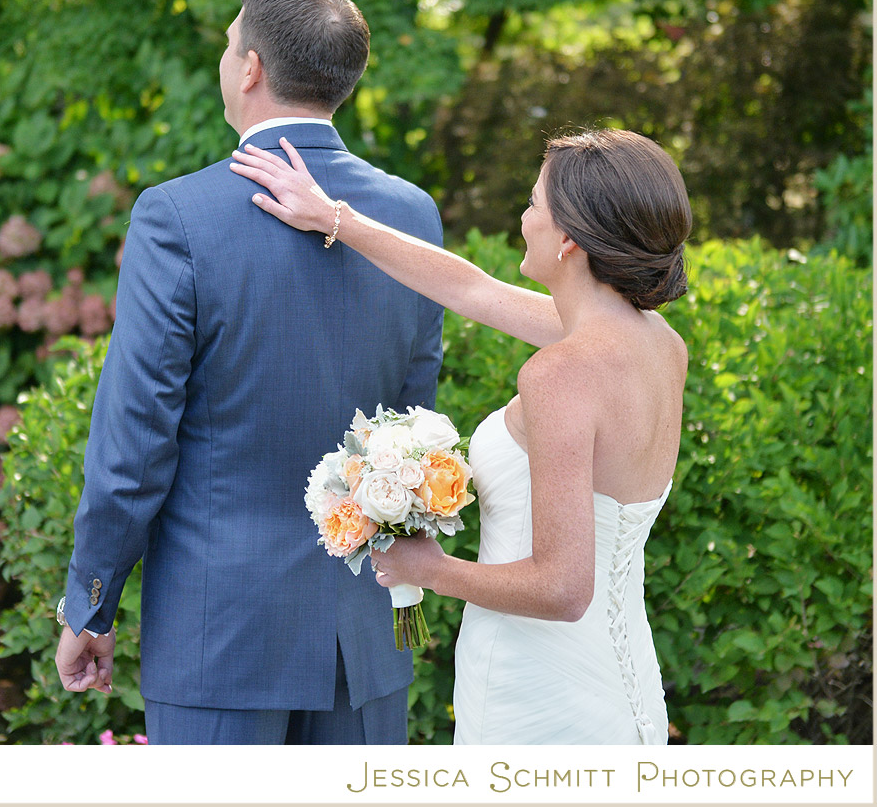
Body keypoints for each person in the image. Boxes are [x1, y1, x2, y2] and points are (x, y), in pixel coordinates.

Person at [53, 0, 446, 745]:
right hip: (364, 643)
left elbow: (135, 444)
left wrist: (90, 602)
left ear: (251, 69)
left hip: (221, 639)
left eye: (230, 42)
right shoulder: (411, 214)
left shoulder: (177, 217)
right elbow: (416, 422)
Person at [228, 127, 691, 744]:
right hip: (624, 686)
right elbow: (474, 290)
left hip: (535, 689)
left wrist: (430, 567)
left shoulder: (561, 373)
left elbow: (562, 589)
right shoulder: (658, 344)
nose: (523, 218)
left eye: (533, 203)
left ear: (569, 240)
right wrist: (334, 217)